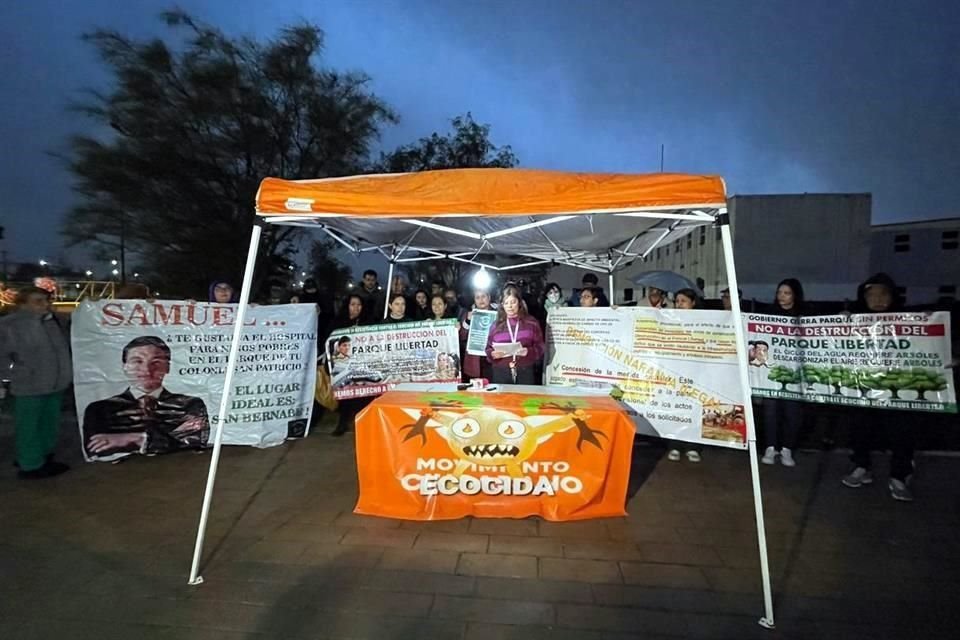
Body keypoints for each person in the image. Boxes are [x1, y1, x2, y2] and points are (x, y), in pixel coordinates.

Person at [841, 273, 916, 501]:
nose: (878, 300)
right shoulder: (854, 319)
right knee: (860, 428)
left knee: (901, 432)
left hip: (898, 389)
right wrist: (841, 321)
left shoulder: (907, 320)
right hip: (863, 388)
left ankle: (899, 476)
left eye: (883, 294)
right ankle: (861, 466)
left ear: (892, 296)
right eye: (872, 295)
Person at [82, 336, 209, 458]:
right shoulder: (100, 409)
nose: (146, 370)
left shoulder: (189, 405)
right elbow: (97, 451)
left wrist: (137, 439)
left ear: (168, 367)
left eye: (156, 362)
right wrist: (169, 438)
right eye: (137, 361)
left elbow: (194, 443)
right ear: (124, 366)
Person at [0, 287, 72, 478]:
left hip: (55, 382)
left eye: (46, 300)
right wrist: (17, 373)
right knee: (29, 426)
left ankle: (41, 456)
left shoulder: (53, 321)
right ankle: (30, 464)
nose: (45, 304)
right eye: (38, 301)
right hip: (29, 385)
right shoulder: (10, 325)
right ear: (23, 304)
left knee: (48, 423)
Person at [760, 278, 806, 467]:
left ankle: (787, 449)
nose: (781, 296)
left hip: (795, 374)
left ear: (795, 294)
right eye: (779, 292)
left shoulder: (806, 314)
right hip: (772, 372)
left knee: (792, 412)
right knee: (770, 411)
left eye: (786, 293)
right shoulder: (769, 313)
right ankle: (770, 448)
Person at [663, 289, 703, 462]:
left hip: (696, 373)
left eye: (683, 301)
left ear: (693, 303)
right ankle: (674, 445)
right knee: (675, 408)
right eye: (677, 301)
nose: (679, 304)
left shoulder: (704, 322)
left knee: (693, 410)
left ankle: (692, 446)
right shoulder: (669, 320)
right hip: (674, 373)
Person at [329, 294, 373, 437]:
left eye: (359, 305)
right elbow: (331, 341)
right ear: (347, 306)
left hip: (361, 365)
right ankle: (342, 423)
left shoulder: (367, 321)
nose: (356, 308)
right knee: (345, 396)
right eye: (353, 304)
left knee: (363, 395)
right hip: (343, 365)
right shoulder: (338, 321)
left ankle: (363, 424)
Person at [485, 283, 545, 385]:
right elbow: (488, 349)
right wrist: (492, 354)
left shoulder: (531, 323)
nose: (510, 306)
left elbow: (541, 347)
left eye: (513, 302)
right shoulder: (496, 326)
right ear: (502, 305)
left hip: (525, 371)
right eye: (506, 303)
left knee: (525, 400)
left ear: (519, 302)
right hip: (501, 371)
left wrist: (529, 352)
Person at [459, 289, 497, 381]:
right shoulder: (468, 315)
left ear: (489, 298)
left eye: (483, 296)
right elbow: (461, 336)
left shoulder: (499, 314)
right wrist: (468, 321)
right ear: (474, 300)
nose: (481, 300)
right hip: (475, 360)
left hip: (493, 359)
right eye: (477, 297)